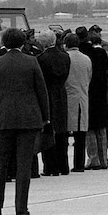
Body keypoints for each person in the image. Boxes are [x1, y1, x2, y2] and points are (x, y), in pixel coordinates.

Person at [0, 28, 49, 215]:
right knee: (24, 164)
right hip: (29, 119)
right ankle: (21, 207)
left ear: (4, 43)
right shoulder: (32, 61)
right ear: (22, 42)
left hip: (2, 119)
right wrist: (45, 116)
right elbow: (42, 91)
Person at [36, 30, 71, 176]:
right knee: (62, 130)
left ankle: (50, 166)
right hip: (61, 93)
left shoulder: (40, 59)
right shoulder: (65, 56)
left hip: (48, 94)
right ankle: (63, 165)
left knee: (48, 130)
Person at [64, 33, 91, 172]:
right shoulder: (86, 59)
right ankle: (79, 164)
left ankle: (64, 165)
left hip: (69, 97)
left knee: (64, 133)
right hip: (83, 97)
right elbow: (89, 77)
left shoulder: (66, 58)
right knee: (81, 135)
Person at [84, 33, 108, 170]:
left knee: (90, 128)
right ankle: (104, 158)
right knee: (101, 128)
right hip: (102, 94)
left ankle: (93, 159)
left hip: (90, 94)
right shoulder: (103, 54)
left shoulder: (88, 55)